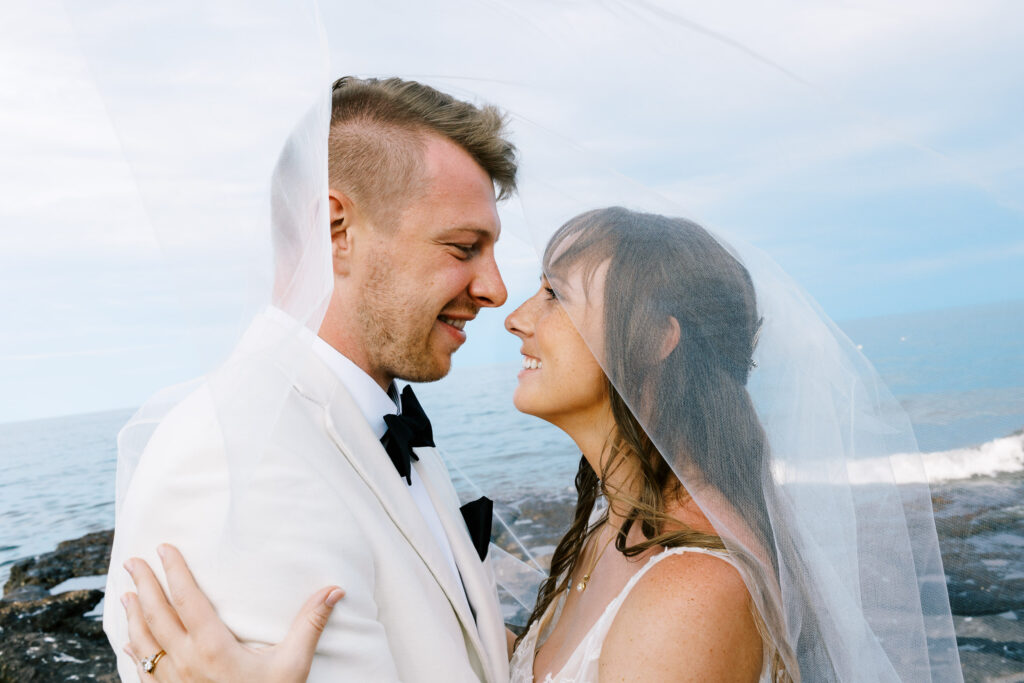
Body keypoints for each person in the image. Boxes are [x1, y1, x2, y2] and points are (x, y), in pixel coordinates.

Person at [119, 208, 961, 681]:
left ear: (659, 338)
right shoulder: (612, 534)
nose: (515, 313)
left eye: (557, 293)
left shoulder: (694, 591)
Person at [105, 76, 519, 683]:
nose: (496, 290)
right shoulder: (239, 460)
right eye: (462, 248)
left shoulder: (368, 415)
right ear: (337, 231)